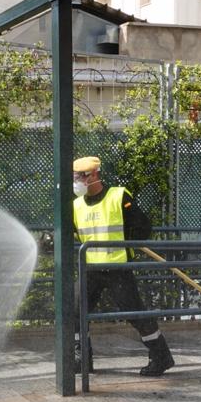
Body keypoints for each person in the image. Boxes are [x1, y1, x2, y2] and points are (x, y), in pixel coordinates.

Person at [71, 155, 175, 376]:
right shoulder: (76, 205)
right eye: (75, 176)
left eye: (81, 176)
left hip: (118, 269)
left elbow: (143, 227)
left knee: (135, 314)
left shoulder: (118, 196)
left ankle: (161, 356)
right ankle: (82, 359)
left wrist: (126, 242)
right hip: (90, 269)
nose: (77, 181)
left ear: (94, 175)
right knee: (75, 311)